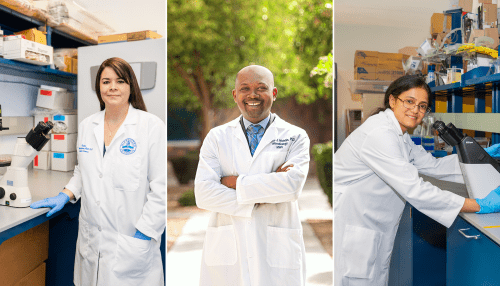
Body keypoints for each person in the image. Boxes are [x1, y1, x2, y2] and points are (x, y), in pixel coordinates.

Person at [334, 74, 500, 286]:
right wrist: (477, 205)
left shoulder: (400, 135)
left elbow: (433, 165)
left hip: (370, 228)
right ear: (393, 100)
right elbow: (415, 190)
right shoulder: (379, 134)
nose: (416, 110)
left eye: (422, 106)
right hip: (356, 225)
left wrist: (482, 156)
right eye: (409, 102)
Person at [30, 57, 165, 286]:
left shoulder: (151, 127)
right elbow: (83, 172)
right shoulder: (87, 125)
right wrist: (66, 194)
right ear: (98, 88)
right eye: (106, 81)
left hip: (131, 246)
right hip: (92, 243)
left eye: (120, 81)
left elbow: (161, 190)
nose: (112, 87)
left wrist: (143, 234)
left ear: (130, 86)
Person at [194, 65, 310, 286]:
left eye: (261, 88)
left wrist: (232, 182)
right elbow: (204, 194)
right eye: (245, 88)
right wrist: (265, 192)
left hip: (278, 251)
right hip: (228, 252)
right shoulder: (217, 138)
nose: (253, 95)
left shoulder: (295, 136)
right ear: (235, 95)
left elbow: (291, 187)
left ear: (273, 94)